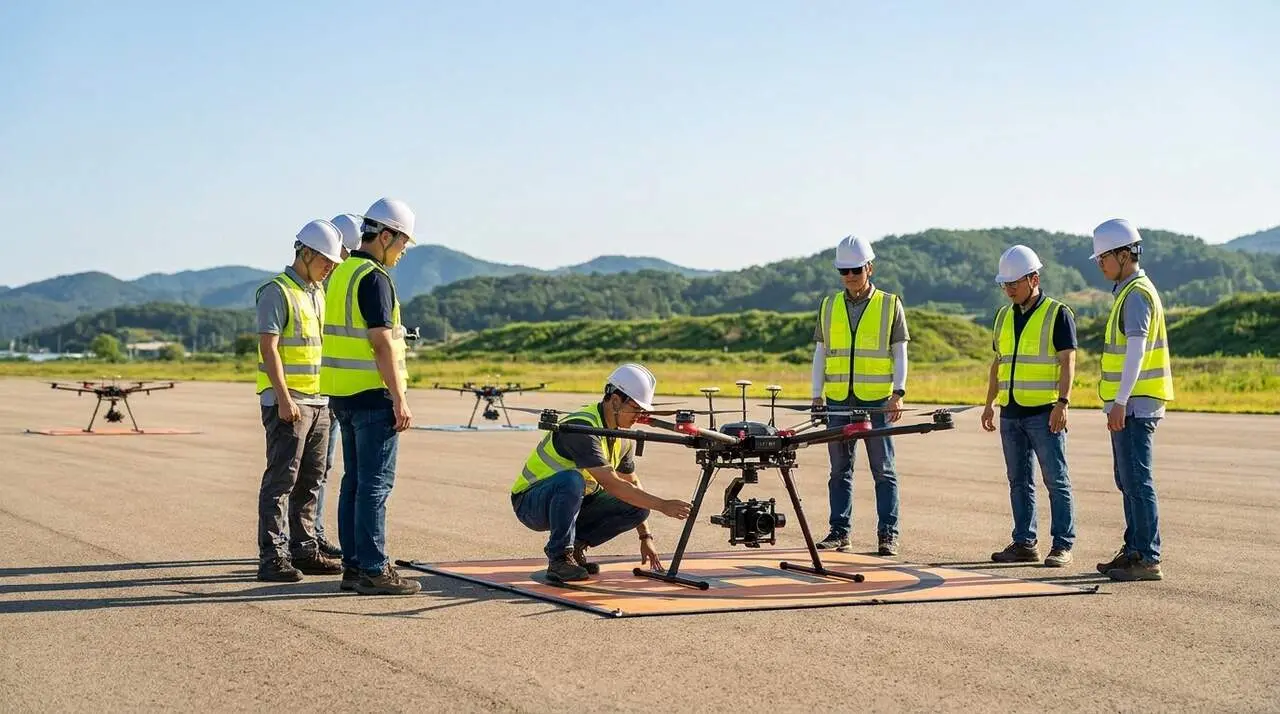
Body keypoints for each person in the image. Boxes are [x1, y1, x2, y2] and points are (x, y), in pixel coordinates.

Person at [510, 363, 693, 583]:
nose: (639, 415)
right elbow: (612, 484)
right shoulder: (582, 427)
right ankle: (559, 558)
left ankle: (575, 547)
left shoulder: (622, 437)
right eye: (636, 408)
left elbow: (630, 483)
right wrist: (663, 505)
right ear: (615, 400)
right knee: (572, 479)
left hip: (570, 502)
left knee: (638, 506)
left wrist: (646, 536)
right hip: (531, 503)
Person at [320, 197, 421, 596]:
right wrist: (399, 398)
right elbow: (381, 342)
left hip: (342, 395)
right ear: (385, 235)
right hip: (373, 396)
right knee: (375, 486)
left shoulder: (342, 273)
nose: (402, 252)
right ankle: (375, 569)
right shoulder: (375, 278)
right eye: (402, 244)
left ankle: (353, 566)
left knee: (355, 483)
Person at [254, 219, 346, 581]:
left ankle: (305, 549)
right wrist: (283, 398)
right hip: (289, 403)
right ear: (305, 253)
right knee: (281, 481)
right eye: (326, 261)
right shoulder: (276, 291)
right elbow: (269, 348)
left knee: (311, 481)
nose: (330, 268)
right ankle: (272, 557)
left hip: (319, 401)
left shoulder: (317, 292)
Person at [810, 235, 910, 556]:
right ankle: (840, 532)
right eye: (843, 271)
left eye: (855, 270)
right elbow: (820, 353)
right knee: (839, 470)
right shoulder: (829, 306)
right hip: (839, 399)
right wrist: (816, 395)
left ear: (869, 267)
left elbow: (900, 351)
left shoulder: (890, 304)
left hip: (877, 399)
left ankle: (888, 534)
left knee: (884, 470)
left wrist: (898, 392)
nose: (849, 276)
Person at [980, 245, 1078, 567]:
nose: (1008, 290)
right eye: (1005, 285)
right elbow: (999, 363)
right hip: (1011, 411)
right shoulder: (1003, 317)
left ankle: (1062, 545)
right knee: (1018, 481)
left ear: (1034, 278)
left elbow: (1068, 362)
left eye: (1014, 284)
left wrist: (1063, 403)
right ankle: (1024, 542)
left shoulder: (1057, 313)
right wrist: (989, 403)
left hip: (1044, 411)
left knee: (1056, 480)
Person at [1090, 218, 1173, 582]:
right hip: (1129, 403)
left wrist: (1121, 400)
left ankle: (1147, 556)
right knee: (1127, 480)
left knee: (1137, 480)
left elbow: (1136, 351)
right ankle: (1134, 548)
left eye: (1104, 257)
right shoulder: (1129, 291)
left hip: (1136, 403)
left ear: (1125, 255)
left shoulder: (1136, 295)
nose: (1100, 264)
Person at [309, 212, 365, 559]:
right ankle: (307, 536)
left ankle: (311, 533)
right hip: (320, 389)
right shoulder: (329, 284)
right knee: (314, 471)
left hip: (328, 386)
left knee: (322, 470)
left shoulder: (329, 284)